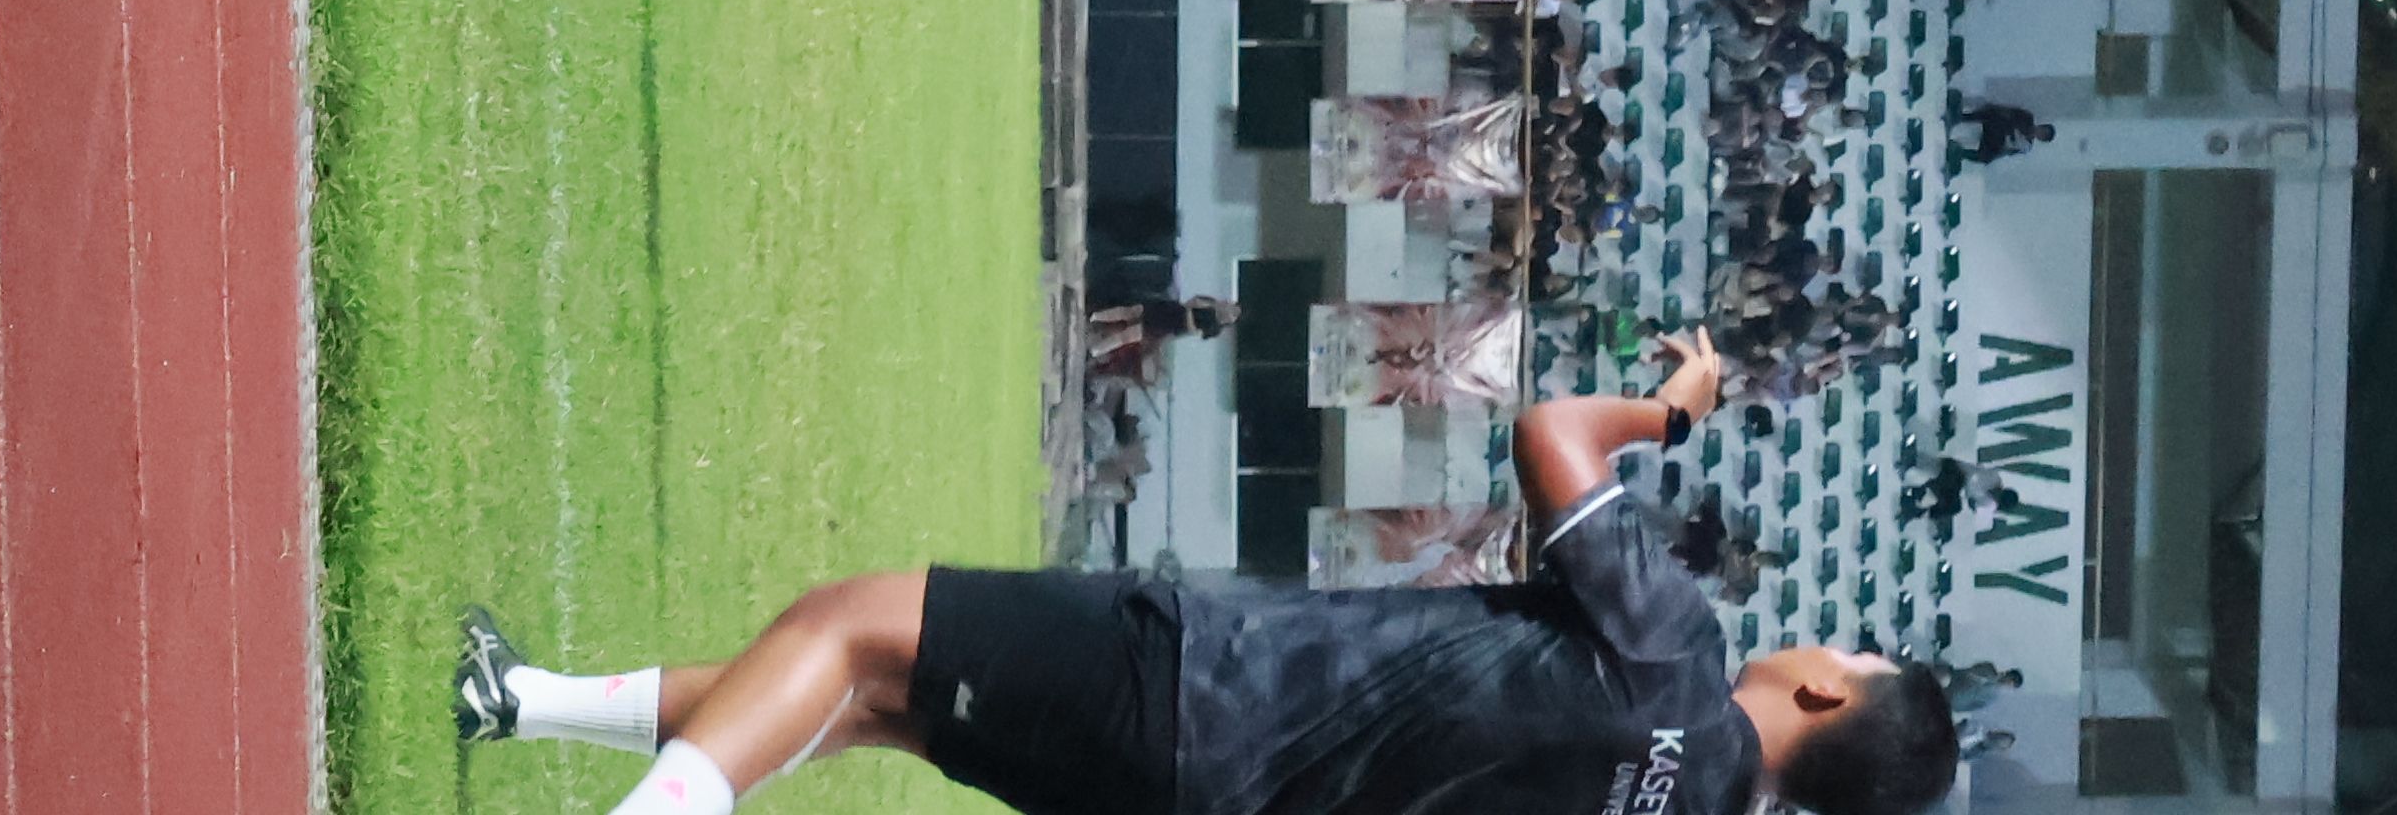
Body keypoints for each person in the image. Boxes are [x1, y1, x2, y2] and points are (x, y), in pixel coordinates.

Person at [449, 334, 1963, 815]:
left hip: (1218, 685)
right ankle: (519, 701)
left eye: (1846, 654)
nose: (1820, 643)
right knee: (880, 707)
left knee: (847, 630)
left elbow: (1551, 435)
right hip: (1209, 796)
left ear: (1829, 695)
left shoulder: (1679, 652)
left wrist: (1670, 412)